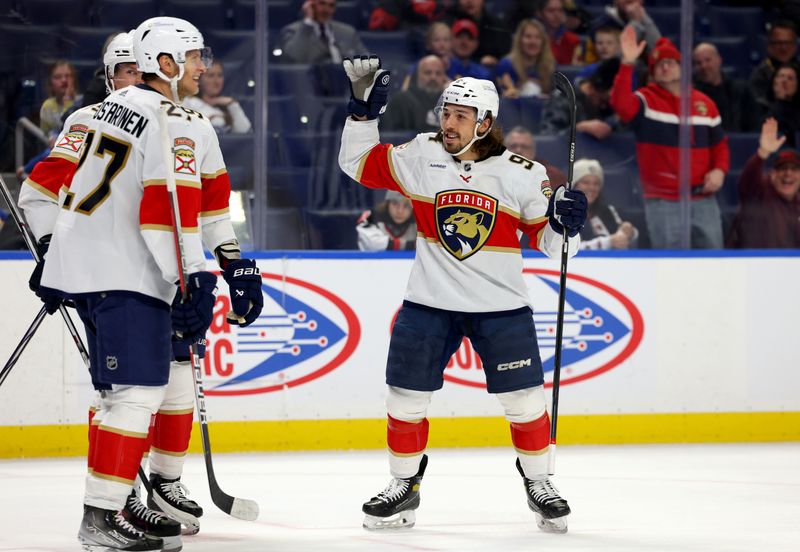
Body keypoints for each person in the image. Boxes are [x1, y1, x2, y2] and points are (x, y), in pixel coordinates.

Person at [19, 17, 263, 551]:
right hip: (129, 272)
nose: (206, 68)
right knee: (134, 396)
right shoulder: (174, 121)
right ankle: (101, 517)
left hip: (103, 272)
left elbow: (45, 194)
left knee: (125, 394)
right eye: (197, 57)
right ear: (169, 65)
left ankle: (125, 503)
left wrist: (53, 255)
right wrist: (195, 281)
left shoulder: (99, 114)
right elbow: (163, 214)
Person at [339, 57, 588, 533]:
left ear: (486, 123)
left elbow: (557, 248)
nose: (447, 122)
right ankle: (403, 486)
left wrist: (567, 223)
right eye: (445, 112)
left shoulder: (523, 173)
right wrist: (362, 115)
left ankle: (539, 482)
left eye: (459, 115)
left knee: (524, 400)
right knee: (405, 396)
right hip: (429, 303)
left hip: (501, 308)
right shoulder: (421, 154)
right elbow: (356, 165)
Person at [610, 27, 729, 249]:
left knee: (713, 263)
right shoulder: (646, 99)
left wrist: (719, 170)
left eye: (670, 62)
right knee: (670, 264)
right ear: (653, 73)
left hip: (703, 198)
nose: (665, 67)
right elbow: (620, 104)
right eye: (658, 65)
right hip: (663, 200)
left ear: (682, 68)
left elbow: (719, 145)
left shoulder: (706, 104)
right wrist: (627, 63)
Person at [727, 117, 800, 248]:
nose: (788, 173)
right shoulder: (758, 193)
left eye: (794, 169)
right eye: (782, 168)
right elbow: (748, 180)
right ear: (771, 174)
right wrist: (763, 153)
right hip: (750, 265)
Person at [541, 57, 622, 139]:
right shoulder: (562, 100)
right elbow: (548, 137)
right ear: (591, 88)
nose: (604, 106)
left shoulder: (609, 108)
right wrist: (578, 129)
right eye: (602, 101)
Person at [692, 42, 759, 133]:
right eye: (698, 63)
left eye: (708, 60)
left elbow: (753, 125)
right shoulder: (692, 94)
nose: (704, 66)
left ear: (719, 60)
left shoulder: (741, 90)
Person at [572, 158, 638, 249]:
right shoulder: (564, 213)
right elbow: (569, 249)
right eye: (585, 182)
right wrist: (609, 242)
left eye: (596, 184)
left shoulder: (608, 210)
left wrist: (630, 232)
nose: (591, 188)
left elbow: (623, 238)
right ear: (574, 185)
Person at [278, 0, 368, 64]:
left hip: (345, 85)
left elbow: (367, 60)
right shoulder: (293, 30)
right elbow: (294, 58)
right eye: (322, 3)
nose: (326, 10)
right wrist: (308, 23)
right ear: (310, 5)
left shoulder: (348, 32)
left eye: (331, 5)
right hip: (310, 85)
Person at [381, 54, 449, 131]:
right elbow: (392, 136)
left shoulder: (448, 102)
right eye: (427, 73)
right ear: (417, 76)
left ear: (444, 77)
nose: (433, 77)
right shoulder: (401, 100)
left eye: (438, 73)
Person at [183, 60, 252, 134]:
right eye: (211, 76)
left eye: (220, 75)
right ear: (199, 80)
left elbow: (245, 133)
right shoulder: (189, 103)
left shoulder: (227, 105)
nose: (217, 81)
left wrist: (232, 103)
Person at [496, 19, 556, 99]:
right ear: (519, 40)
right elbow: (507, 95)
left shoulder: (550, 64)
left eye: (537, 37)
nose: (533, 42)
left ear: (543, 42)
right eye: (528, 37)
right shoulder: (507, 64)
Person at [749, 20, 800, 106]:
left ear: (795, 45)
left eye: (788, 43)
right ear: (769, 46)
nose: (783, 48)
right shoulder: (760, 75)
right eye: (778, 43)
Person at [445, 0, 511, 65]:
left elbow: (505, 56)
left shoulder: (497, 26)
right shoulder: (447, 22)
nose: (469, 1)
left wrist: (495, 61)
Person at [756, 64, 800, 148]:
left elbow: (791, 130)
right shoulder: (760, 106)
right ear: (773, 82)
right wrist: (780, 100)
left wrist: (782, 100)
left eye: (790, 78)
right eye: (780, 76)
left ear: (796, 86)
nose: (784, 80)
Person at [39, 60, 80, 137]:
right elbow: (46, 133)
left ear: (74, 79)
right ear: (50, 82)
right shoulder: (47, 106)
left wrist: (68, 101)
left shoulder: (83, 102)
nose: (64, 80)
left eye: (68, 76)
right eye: (58, 77)